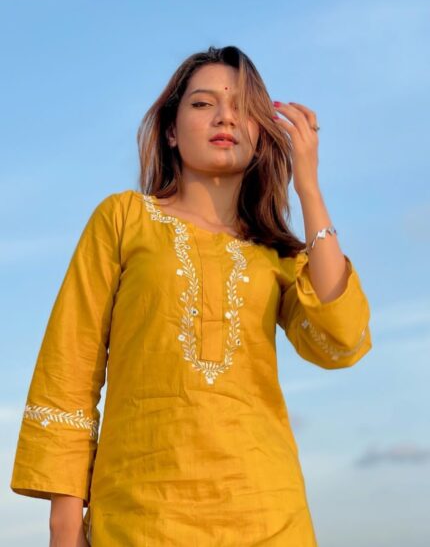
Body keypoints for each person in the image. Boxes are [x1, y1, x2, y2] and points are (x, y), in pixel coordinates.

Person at [10, 45, 372, 546]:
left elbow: (341, 339)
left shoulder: (274, 254)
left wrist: (308, 187)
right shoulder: (124, 220)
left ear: (261, 135)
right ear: (172, 131)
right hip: (139, 521)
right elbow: (68, 371)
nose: (225, 116)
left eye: (243, 107)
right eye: (203, 103)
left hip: (270, 517)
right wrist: (65, 525)